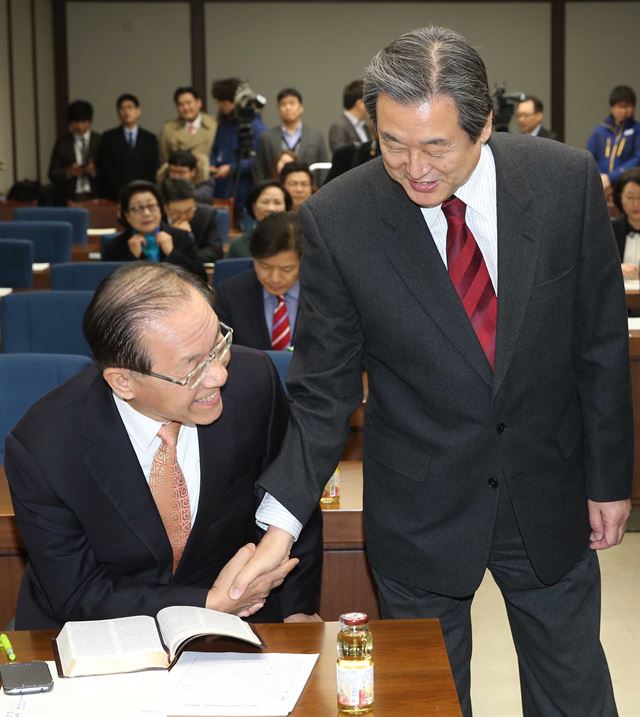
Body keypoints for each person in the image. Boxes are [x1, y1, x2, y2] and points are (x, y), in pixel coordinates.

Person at [230, 26, 633, 717]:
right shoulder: (339, 218)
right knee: (426, 701)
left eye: (435, 145)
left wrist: (608, 479)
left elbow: (596, 342)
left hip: (548, 487)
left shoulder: (563, 182)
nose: (413, 167)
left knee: (574, 693)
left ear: (483, 127)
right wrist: (278, 526)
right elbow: (322, 389)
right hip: (420, 504)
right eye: (392, 142)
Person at [4, 262, 322, 629]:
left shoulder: (253, 383)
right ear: (123, 381)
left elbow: (290, 489)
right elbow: (78, 594)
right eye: (193, 368)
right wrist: (208, 604)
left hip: (244, 620)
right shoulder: (44, 447)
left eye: (218, 345)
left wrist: (298, 608)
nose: (219, 374)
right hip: (102, 630)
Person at [217, 212, 301, 350]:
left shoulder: (323, 295)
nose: (274, 278)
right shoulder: (231, 295)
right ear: (254, 258)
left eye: (286, 269)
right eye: (265, 266)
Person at [102, 180, 206, 281]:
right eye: (138, 208)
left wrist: (172, 253)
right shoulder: (113, 245)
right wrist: (132, 257)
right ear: (126, 215)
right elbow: (108, 288)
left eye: (151, 206)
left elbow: (201, 278)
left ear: (160, 209)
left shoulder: (182, 237)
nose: (146, 213)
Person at [210, 78, 267, 224]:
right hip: (222, 188)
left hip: (245, 188)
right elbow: (216, 148)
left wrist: (231, 168)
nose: (221, 106)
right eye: (219, 102)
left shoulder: (254, 125)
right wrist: (212, 164)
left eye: (225, 102)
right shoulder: (224, 123)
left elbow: (258, 160)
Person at [97, 93, 159, 200]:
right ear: (118, 113)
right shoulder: (108, 137)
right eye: (122, 109)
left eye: (130, 107)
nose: (126, 112)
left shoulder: (150, 138)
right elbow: (106, 168)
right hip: (115, 195)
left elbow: (152, 169)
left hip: (143, 194)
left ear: (138, 111)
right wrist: (121, 191)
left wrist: (142, 191)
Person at [255, 88, 328, 180]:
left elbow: (323, 168)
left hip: (310, 190)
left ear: (301, 108)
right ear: (279, 110)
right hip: (277, 190)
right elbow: (260, 170)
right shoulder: (267, 138)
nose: (288, 107)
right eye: (283, 104)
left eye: (292, 103)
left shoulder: (316, 136)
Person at [159, 86, 217, 184]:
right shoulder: (168, 129)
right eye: (180, 105)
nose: (185, 108)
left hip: (209, 182)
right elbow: (165, 158)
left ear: (199, 103)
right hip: (179, 183)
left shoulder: (214, 125)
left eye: (189, 103)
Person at [587, 85, 640, 192]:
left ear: (634, 107)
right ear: (611, 107)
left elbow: (637, 158)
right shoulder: (600, 131)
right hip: (601, 184)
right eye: (620, 106)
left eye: (628, 106)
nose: (624, 111)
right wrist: (599, 176)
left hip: (627, 184)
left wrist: (612, 177)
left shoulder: (637, 130)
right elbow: (589, 156)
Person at [48, 100, 101, 204]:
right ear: (70, 123)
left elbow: (109, 172)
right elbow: (52, 173)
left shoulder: (100, 141)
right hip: (69, 197)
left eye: (83, 122)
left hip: (96, 195)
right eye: (75, 122)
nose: (80, 126)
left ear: (90, 122)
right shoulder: (62, 143)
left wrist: (94, 171)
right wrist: (69, 172)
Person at [161, 177, 223, 263]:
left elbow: (215, 252)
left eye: (188, 210)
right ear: (165, 208)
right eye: (177, 212)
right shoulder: (156, 220)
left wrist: (188, 241)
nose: (183, 217)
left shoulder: (207, 215)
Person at [227, 180, 292, 258]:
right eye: (265, 202)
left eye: (277, 202)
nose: (271, 208)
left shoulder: (297, 242)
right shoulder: (238, 245)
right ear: (253, 206)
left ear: (286, 207)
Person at [611, 167, 640, 279]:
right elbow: (598, 266)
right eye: (630, 197)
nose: (636, 204)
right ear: (620, 198)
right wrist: (619, 268)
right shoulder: (610, 230)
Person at [328, 79, 372, 151]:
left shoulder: (364, 126)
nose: (372, 105)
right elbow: (341, 156)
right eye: (369, 101)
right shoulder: (338, 127)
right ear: (359, 103)